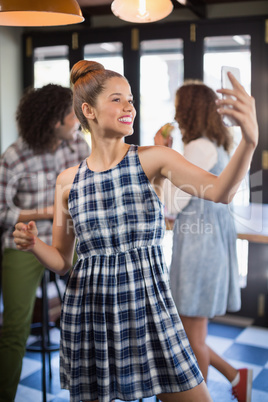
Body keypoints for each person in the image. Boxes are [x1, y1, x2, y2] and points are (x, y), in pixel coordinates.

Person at [13, 60, 258, 402]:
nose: (130, 106)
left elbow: (222, 192)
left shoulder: (153, 158)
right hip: (91, 313)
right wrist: (34, 244)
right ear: (89, 110)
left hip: (151, 305)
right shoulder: (67, 181)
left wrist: (249, 140)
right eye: (117, 99)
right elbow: (61, 261)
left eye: (130, 98)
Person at [155, 80, 253, 402]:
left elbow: (171, 203)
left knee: (191, 333)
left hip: (198, 248)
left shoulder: (198, 147)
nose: (175, 113)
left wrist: (163, 154)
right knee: (190, 328)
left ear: (188, 110)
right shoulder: (217, 143)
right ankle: (234, 375)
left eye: (179, 106)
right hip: (211, 243)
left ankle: (198, 396)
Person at [0, 84, 90, 402]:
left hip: (70, 240)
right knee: (14, 328)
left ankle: (89, 392)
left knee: (91, 315)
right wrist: (46, 211)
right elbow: (0, 211)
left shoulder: (77, 147)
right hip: (23, 243)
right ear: (56, 122)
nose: (78, 121)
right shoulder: (14, 156)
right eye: (72, 116)